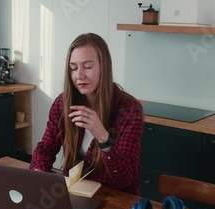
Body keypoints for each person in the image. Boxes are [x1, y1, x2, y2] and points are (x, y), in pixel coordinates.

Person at [30, 33, 144, 195]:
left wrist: (104, 138)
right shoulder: (62, 103)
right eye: (73, 68)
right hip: (74, 193)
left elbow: (125, 179)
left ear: (103, 67)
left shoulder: (130, 110)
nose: (79, 75)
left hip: (115, 199)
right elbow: (45, 148)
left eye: (88, 67)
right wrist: (38, 171)